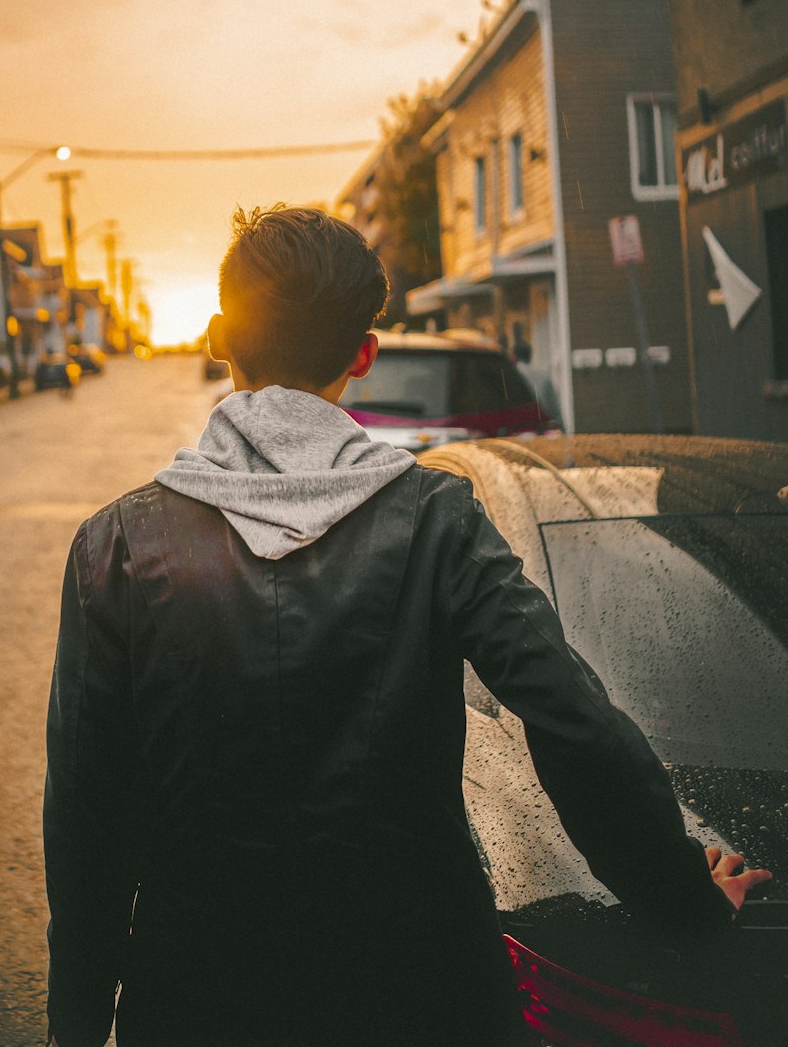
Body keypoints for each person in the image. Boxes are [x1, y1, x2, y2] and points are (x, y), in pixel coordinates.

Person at [43, 205, 769, 1047]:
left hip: (199, 997)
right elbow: (572, 716)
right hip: (423, 991)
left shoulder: (118, 546)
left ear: (218, 339)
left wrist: (79, 1021)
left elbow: (87, 815)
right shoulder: (437, 519)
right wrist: (682, 895)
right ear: (363, 355)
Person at [512, 337, 562, 428]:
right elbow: (555, 408)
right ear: (530, 355)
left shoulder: (511, 375)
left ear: (514, 356)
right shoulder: (543, 376)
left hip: (519, 427)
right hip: (543, 427)